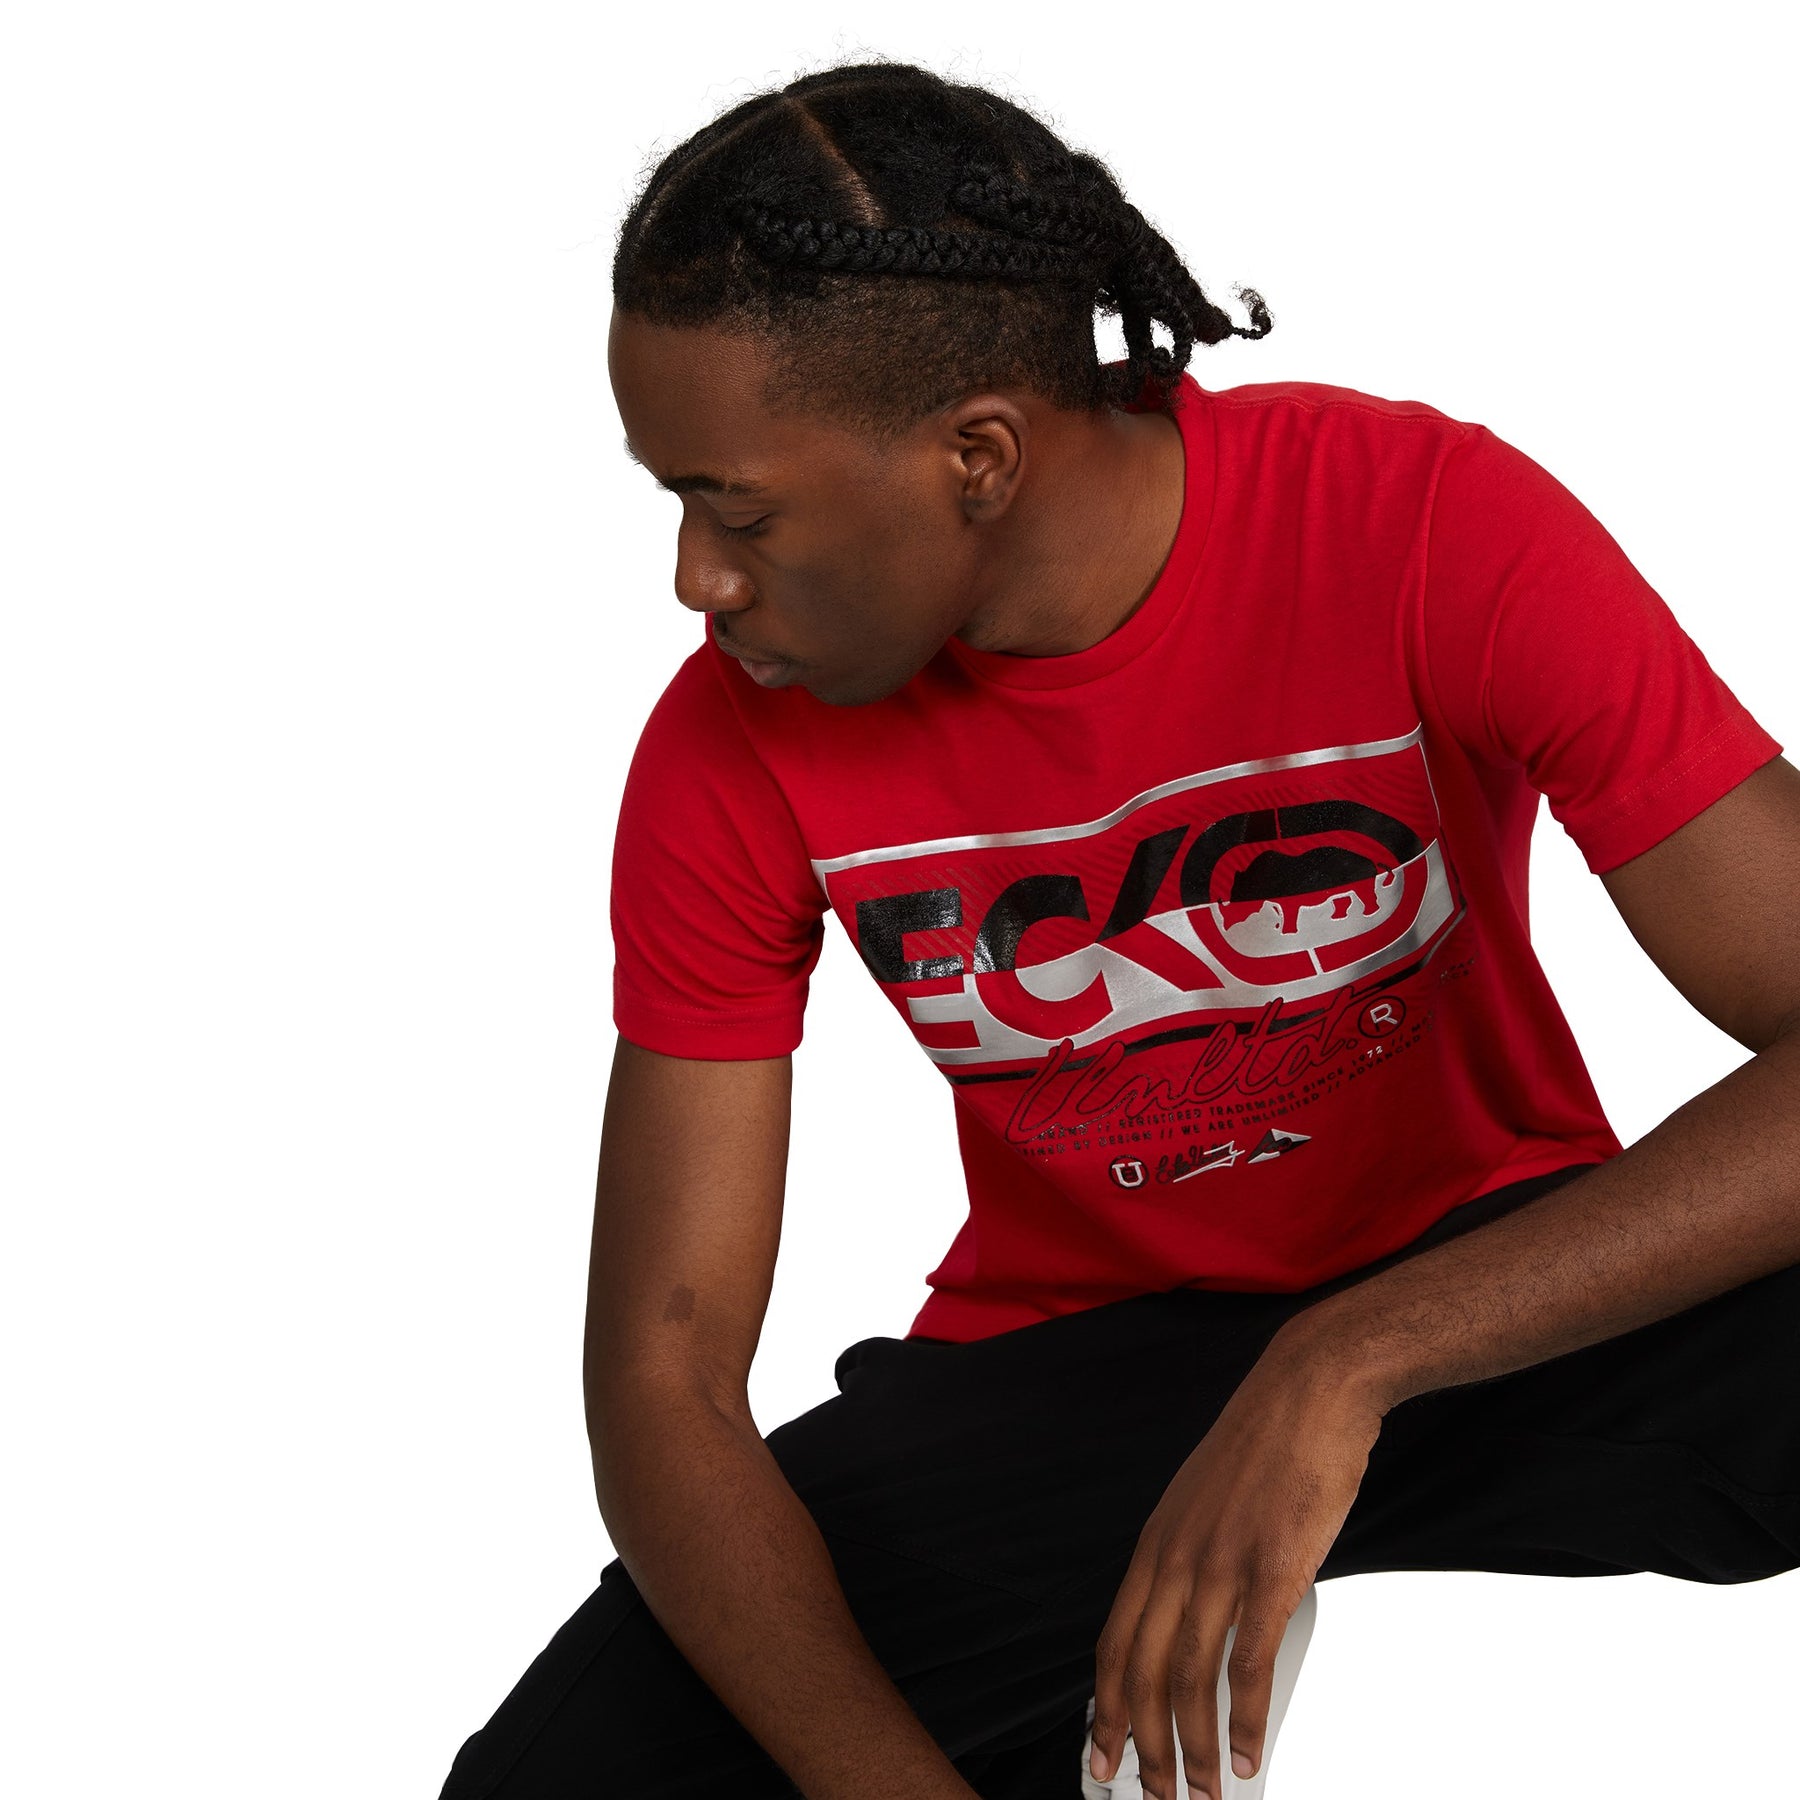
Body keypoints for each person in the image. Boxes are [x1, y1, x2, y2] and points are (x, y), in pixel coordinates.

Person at [436, 57, 1800, 1800]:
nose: (698, 578)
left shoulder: (1416, 523)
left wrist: (1344, 1364)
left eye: (739, 509)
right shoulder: (730, 741)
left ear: (977, 456)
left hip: (1481, 1289)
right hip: (1077, 1370)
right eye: (677, 504)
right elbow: (665, 1377)